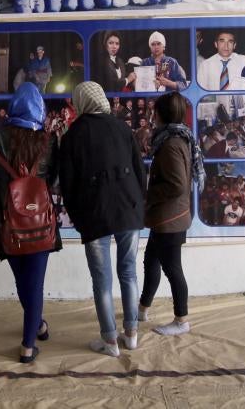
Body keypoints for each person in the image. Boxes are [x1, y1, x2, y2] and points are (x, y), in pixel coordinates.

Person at [0, 83, 61, 364]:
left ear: (12, 108)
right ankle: (28, 346)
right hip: (40, 222)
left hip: (7, 224)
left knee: (24, 282)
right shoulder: (48, 141)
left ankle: (37, 327)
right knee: (34, 284)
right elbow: (54, 180)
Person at [59, 82, 146, 357]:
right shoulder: (122, 127)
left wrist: (77, 217)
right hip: (129, 209)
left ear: (81, 102)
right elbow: (139, 171)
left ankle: (110, 341)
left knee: (102, 280)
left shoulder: (73, 135)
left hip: (94, 214)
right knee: (129, 272)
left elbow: (68, 184)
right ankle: (131, 335)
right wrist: (138, 204)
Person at [138, 92, 203, 335]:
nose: (152, 116)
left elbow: (177, 185)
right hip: (166, 217)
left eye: (154, 111)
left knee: (172, 269)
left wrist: (149, 195)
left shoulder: (171, 144)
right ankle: (142, 309)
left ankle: (181, 321)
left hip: (169, 219)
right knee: (151, 261)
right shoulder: (178, 137)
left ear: (161, 114)